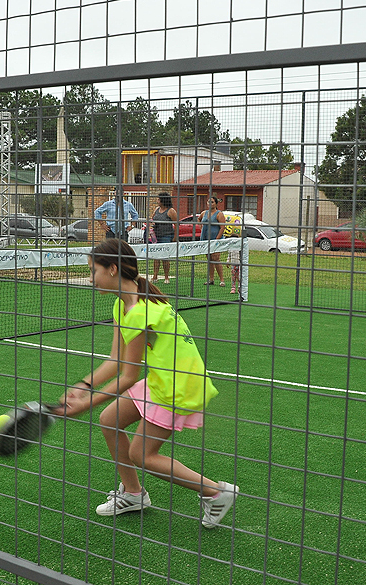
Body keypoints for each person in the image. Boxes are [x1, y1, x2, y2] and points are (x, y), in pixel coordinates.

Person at [58, 238, 238, 528]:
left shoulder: (142, 312)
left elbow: (128, 375)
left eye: (93, 271)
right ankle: (133, 494)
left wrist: (85, 405)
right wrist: (84, 386)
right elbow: (115, 361)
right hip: (163, 378)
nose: (91, 279)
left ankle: (216, 492)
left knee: (142, 455)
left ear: (113, 269)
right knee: (110, 420)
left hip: (179, 386)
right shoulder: (124, 305)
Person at [149, 192, 177, 284]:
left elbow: (176, 224)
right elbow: (152, 220)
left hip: (166, 236)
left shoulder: (171, 211)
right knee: (156, 257)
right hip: (156, 237)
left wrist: (175, 237)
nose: (157, 201)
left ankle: (166, 277)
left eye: (158, 199)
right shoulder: (157, 209)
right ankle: (155, 276)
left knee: (165, 257)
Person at [198, 195, 226, 286]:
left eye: (212, 202)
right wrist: (201, 228)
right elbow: (199, 219)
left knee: (216, 259)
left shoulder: (219, 214)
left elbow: (222, 227)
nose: (210, 204)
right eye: (208, 202)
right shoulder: (204, 213)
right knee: (209, 259)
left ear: (216, 203)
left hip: (216, 240)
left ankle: (222, 280)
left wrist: (217, 239)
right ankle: (211, 279)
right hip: (206, 240)